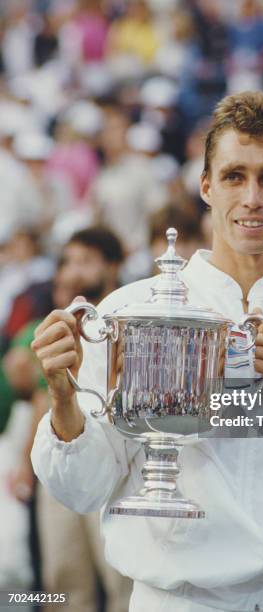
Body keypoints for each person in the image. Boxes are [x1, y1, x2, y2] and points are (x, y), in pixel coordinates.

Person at [31, 91, 263, 612]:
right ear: (206, 186)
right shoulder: (132, 310)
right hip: (174, 599)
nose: (252, 197)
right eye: (235, 176)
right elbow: (81, 489)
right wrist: (63, 401)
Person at [11, 227, 132, 612]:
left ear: (112, 267)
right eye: (66, 262)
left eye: (84, 262)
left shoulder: (128, 319)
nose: (71, 273)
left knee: (120, 581)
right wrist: (25, 464)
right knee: (62, 581)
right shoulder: (51, 324)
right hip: (60, 461)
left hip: (113, 463)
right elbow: (39, 397)